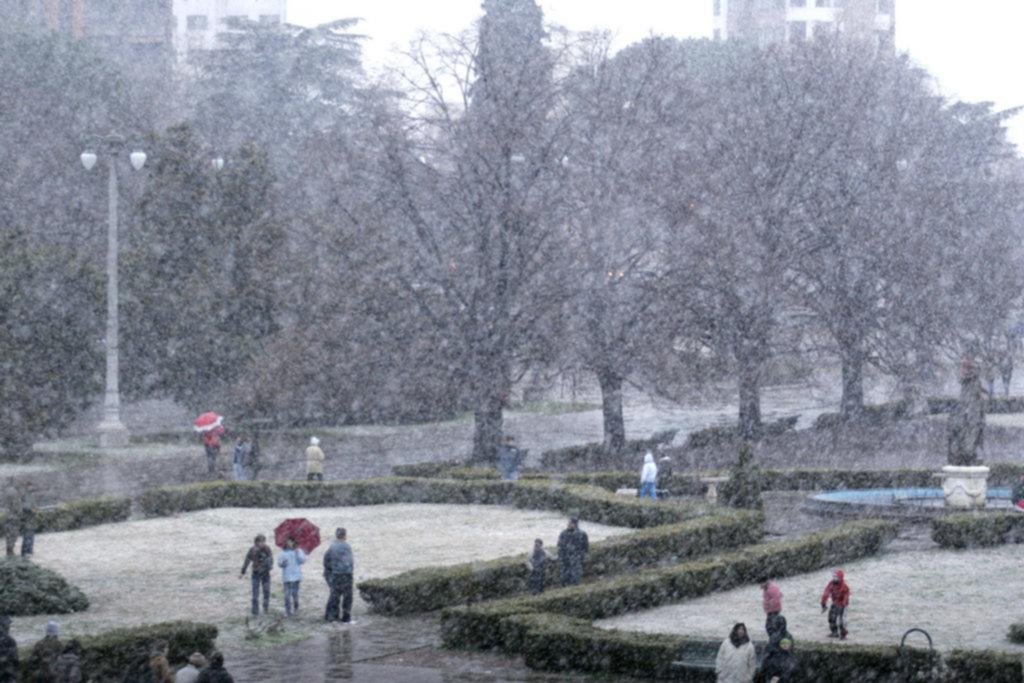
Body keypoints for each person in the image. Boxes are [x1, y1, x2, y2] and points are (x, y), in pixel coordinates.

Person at [323, 528, 355, 624]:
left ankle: (333, 617)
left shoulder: (332, 547)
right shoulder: (347, 547)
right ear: (345, 535)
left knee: (335, 596)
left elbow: (326, 561)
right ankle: (346, 617)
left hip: (336, 575)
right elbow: (351, 562)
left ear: (336, 535)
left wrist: (330, 571)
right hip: (347, 574)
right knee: (347, 597)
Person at [239, 534, 273, 616]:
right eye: (260, 541)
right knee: (255, 594)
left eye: (263, 541)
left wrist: (270, 565)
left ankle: (265, 609)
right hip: (256, 574)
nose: (262, 543)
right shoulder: (252, 549)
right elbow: (247, 560)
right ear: (256, 542)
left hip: (266, 574)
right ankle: (255, 612)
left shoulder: (267, 549)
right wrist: (242, 572)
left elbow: (271, 559)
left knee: (266, 592)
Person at [277, 537, 307, 617]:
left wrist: (297, 553)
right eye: (288, 542)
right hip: (287, 577)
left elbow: (303, 560)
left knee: (295, 595)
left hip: (296, 576)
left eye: (291, 542)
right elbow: (279, 563)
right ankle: (288, 610)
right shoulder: (283, 553)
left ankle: (296, 608)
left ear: (294, 542)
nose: (289, 544)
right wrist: (283, 563)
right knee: (287, 595)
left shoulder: (299, 551)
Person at [761, 615, 795, 683]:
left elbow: (769, 653)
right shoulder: (788, 636)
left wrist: (763, 667)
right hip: (782, 669)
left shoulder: (775, 636)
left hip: (774, 668)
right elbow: (790, 654)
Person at [557, 517, 589, 587]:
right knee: (564, 575)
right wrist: (561, 555)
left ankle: (574, 585)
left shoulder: (581, 534)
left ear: (575, 524)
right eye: (568, 523)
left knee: (575, 574)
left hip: (576, 557)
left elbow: (585, 547)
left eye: (570, 523)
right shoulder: (563, 533)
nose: (568, 524)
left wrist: (581, 555)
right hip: (565, 557)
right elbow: (560, 545)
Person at [821, 569, 851, 640]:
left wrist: (843, 604)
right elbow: (826, 593)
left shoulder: (844, 586)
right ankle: (834, 632)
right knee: (831, 618)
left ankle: (843, 634)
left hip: (843, 605)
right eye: (833, 577)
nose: (834, 579)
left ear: (840, 578)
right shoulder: (831, 584)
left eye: (836, 577)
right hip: (835, 603)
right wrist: (823, 603)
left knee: (841, 620)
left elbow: (846, 596)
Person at [0, 615, 18, 683]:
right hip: (8, 676)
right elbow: (16, 661)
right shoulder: (10, 641)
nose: (9, 626)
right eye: (8, 624)